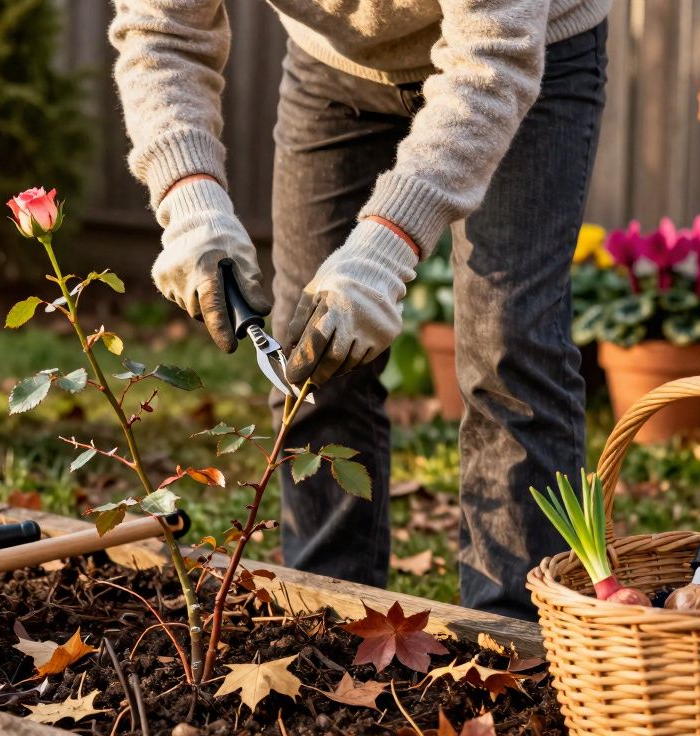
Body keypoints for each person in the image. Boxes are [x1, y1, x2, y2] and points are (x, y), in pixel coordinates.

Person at [110, 0, 610, 619]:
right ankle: (330, 616)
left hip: (521, 53)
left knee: (509, 350)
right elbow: (161, 31)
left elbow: (492, 56)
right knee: (312, 359)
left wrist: (386, 247)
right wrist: (188, 198)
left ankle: (520, 638)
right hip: (333, 69)